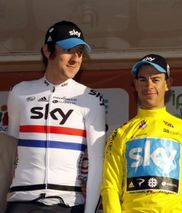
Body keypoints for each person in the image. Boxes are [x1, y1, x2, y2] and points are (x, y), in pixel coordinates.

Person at [5, 20, 106, 213]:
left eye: (80, 52)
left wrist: (90, 210)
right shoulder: (20, 92)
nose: (76, 58)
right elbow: (11, 153)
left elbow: (96, 162)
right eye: (69, 50)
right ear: (47, 50)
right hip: (21, 200)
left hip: (68, 202)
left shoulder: (90, 98)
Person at [101, 54, 182, 212]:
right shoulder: (121, 133)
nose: (149, 85)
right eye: (143, 79)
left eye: (156, 79)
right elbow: (110, 186)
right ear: (135, 85)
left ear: (168, 84)